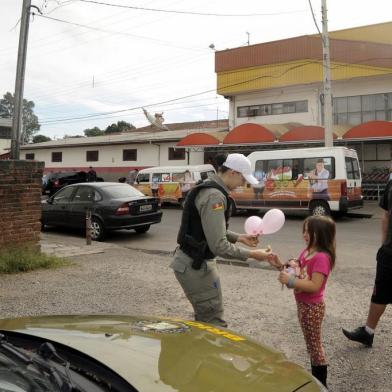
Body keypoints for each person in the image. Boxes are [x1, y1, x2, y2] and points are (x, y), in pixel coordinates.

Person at [170, 153, 282, 328]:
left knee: (207, 316)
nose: (243, 184)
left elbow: (208, 228)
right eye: (243, 179)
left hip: (194, 262)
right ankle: (208, 354)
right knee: (213, 321)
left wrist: (239, 238)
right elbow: (219, 245)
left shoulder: (209, 188)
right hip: (195, 265)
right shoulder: (215, 196)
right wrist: (253, 254)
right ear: (232, 172)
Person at [269, 215, 336, 388]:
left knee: (315, 347)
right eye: (304, 230)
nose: (305, 234)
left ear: (320, 234)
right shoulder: (307, 251)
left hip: (312, 308)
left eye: (309, 231)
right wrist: (279, 265)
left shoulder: (321, 257)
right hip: (303, 306)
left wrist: (290, 282)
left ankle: (321, 385)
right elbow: (296, 272)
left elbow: (315, 285)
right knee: (311, 345)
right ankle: (318, 382)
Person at [342, 176, 392, 348]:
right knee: (380, 293)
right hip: (389, 253)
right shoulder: (391, 184)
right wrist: (384, 243)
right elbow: (386, 214)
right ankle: (368, 333)